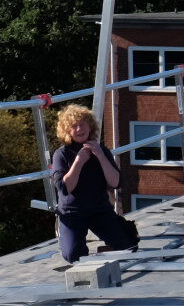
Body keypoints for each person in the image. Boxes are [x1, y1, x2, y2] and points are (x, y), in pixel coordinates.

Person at [48, 103, 138, 264]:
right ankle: (65, 235)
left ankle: (109, 246)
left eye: (82, 124)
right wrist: (78, 162)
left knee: (129, 246)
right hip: (72, 212)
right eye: (73, 126)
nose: (79, 129)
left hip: (99, 209)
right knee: (73, 256)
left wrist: (100, 156)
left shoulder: (101, 150)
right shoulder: (61, 154)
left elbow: (116, 182)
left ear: (89, 126)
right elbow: (64, 188)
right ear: (67, 131)